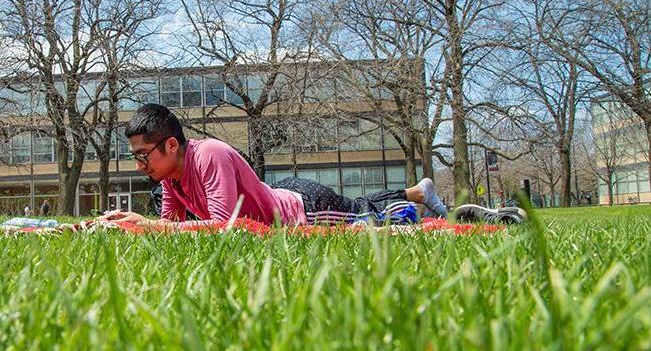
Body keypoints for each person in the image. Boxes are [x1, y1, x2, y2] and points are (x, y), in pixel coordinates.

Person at [98, 104, 449, 228]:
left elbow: (224, 226)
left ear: (170, 144)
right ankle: (418, 192)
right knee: (360, 208)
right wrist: (130, 225)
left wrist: (150, 226)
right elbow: (170, 227)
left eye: (143, 154)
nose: (140, 164)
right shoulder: (170, 176)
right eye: (135, 156)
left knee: (362, 216)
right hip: (284, 199)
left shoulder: (210, 155)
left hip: (304, 210)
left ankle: (425, 206)